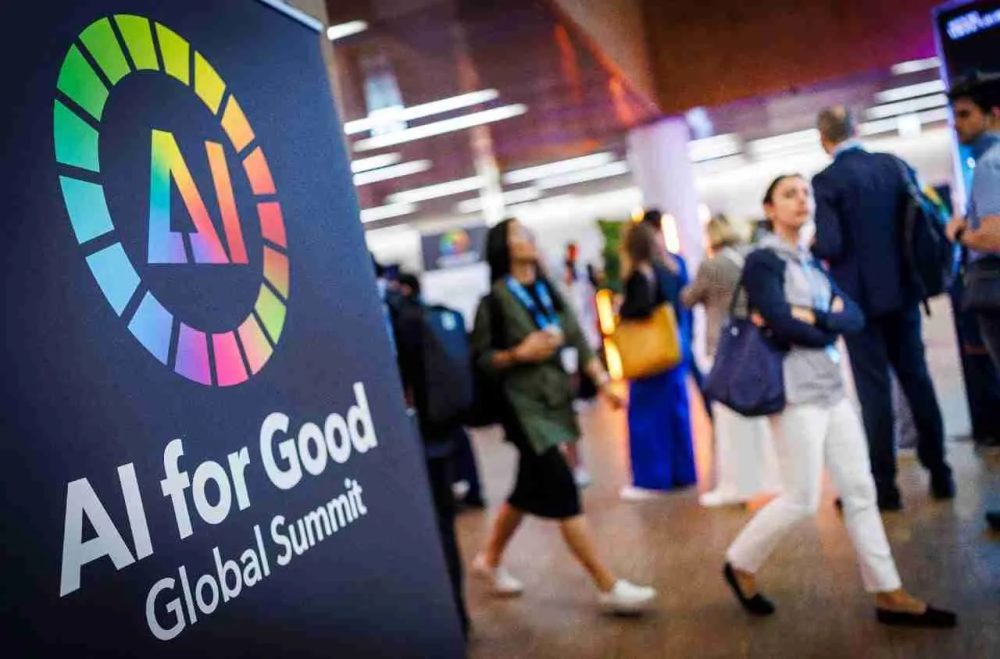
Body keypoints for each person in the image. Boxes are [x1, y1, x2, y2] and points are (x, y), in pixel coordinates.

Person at [722, 174, 956, 628]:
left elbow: (855, 316)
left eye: (804, 193)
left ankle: (888, 592)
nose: (801, 200)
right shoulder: (763, 262)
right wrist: (823, 323)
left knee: (861, 492)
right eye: (788, 195)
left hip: (831, 389)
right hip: (795, 394)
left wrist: (814, 319)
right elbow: (782, 321)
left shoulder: (811, 261)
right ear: (769, 209)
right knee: (800, 498)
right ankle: (739, 562)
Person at [469, 218, 657, 614]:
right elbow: (481, 360)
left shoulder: (546, 289)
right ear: (503, 247)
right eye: (518, 234)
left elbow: (576, 337)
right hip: (522, 408)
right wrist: (517, 353)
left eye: (528, 232)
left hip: (554, 400)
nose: (529, 238)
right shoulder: (495, 302)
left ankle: (489, 559)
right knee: (563, 490)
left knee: (525, 491)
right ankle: (607, 586)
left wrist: (603, 383)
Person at [812, 106, 953, 511]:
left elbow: (832, 244)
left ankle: (885, 487)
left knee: (874, 393)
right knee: (917, 381)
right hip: (905, 294)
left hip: (860, 306)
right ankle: (940, 472)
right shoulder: (894, 165)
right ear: (856, 129)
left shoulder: (827, 181)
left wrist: (813, 247)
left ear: (824, 140)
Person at [682, 215, 778, 507]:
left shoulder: (712, 265)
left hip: (725, 344)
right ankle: (766, 480)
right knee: (756, 419)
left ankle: (736, 485)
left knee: (729, 420)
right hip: (755, 342)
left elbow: (687, 298)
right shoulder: (749, 257)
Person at [943, 73, 1000, 534]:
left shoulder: (989, 164)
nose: (957, 124)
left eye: (965, 114)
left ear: (993, 114)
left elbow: (994, 237)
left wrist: (960, 230)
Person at [618, 221, 697, 499]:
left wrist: (622, 308)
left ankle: (652, 480)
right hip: (673, 349)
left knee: (647, 420)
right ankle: (682, 472)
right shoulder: (671, 268)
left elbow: (638, 310)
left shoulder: (639, 275)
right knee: (676, 414)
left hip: (650, 360)